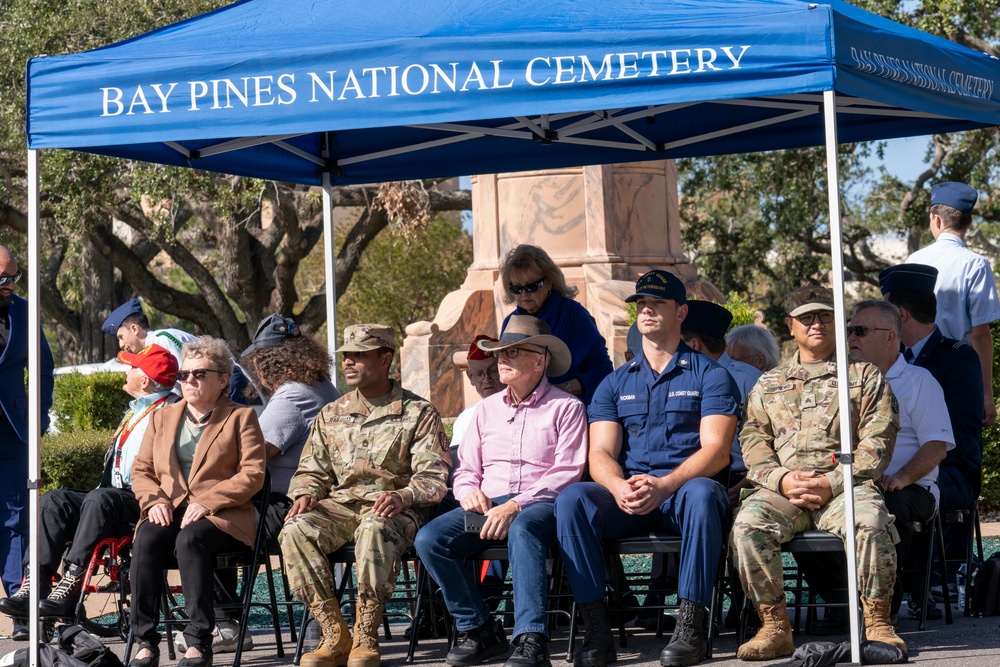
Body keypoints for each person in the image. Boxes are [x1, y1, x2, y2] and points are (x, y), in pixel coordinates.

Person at [555, 270, 740, 667]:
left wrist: (666, 484)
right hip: (630, 495)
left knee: (706, 493)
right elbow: (600, 452)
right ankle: (597, 631)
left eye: (658, 303)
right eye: (642, 304)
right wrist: (618, 486)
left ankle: (689, 627)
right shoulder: (615, 382)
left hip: (682, 492)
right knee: (573, 500)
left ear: (681, 312)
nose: (648, 310)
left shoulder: (712, 376)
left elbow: (717, 451)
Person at [731, 286, 904, 661]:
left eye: (825, 316)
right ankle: (775, 627)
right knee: (747, 527)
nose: (817, 324)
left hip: (845, 487)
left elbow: (879, 442)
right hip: (783, 490)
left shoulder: (863, 377)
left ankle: (876, 623)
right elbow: (753, 440)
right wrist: (780, 479)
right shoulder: (769, 383)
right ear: (790, 326)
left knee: (872, 521)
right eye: (807, 317)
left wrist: (832, 482)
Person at [415, 316, 587, 667]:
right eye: (500, 353)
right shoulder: (484, 411)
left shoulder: (567, 407)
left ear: (539, 360)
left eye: (512, 352)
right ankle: (479, 629)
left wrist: (514, 506)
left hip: (542, 506)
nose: (501, 360)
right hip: (486, 506)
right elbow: (465, 469)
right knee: (430, 539)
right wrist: (467, 492)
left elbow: (567, 473)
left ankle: (531, 640)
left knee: (523, 529)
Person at [278, 324, 450, 667]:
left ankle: (366, 635)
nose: (349, 363)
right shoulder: (332, 414)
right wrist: (305, 493)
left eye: (359, 355)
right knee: (295, 529)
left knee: (374, 526)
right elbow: (313, 471)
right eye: (346, 357)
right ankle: (334, 634)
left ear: (385, 359)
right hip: (341, 507)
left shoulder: (417, 412)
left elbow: (433, 477)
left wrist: (405, 495)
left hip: (396, 509)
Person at [0, 344, 177, 622]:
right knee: (54, 500)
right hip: (112, 497)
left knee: (100, 499)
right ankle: (35, 582)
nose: (126, 372)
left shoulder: (171, 411)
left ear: (144, 380)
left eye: (132, 368)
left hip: (146, 501)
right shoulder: (136, 409)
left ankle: (71, 585)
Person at [128, 336, 266, 667]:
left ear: (222, 380)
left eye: (199, 374)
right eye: (183, 375)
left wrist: (209, 501)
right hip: (171, 509)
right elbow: (142, 471)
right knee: (146, 538)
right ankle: (146, 640)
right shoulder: (162, 417)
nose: (189, 380)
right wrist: (154, 501)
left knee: (190, 539)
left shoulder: (240, 417)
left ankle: (198, 640)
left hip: (224, 517)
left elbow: (253, 474)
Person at [880, 263, 984, 598]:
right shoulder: (877, 361)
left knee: (897, 498)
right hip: (889, 470)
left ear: (900, 314)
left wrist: (911, 470)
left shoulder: (957, 358)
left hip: (949, 472)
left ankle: (912, 585)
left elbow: (958, 438)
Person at [847, 300, 953, 619]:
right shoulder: (839, 384)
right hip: (849, 487)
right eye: (850, 330)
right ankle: (839, 599)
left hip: (908, 489)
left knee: (888, 508)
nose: (852, 337)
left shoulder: (919, 382)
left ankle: (883, 606)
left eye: (861, 331)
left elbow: (937, 446)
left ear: (890, 337)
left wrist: (901, 477)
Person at [240, 314, 341, 540]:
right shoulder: (322, 385)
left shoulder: (292, 397)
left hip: (289, 506)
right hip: (320, 500)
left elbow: (251, 454)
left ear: (263, 364)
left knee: (206, 528)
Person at [907, 182, 1000, 426]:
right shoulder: (975, 264)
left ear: (936, 220)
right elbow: (981, 335)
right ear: (968, 223)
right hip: (960, 371)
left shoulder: (912, 261)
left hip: (914, 369)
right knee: (961, 455)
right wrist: (986, 396)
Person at [0, 244, 55, 639]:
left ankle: (21, 614)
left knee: (17, 521)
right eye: (3, 278)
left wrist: (38, 416)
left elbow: (44, 369)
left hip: (13, 433)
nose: (9, 285)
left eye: (13, 277)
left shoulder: (24, 311)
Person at [499, 245, 612, 405]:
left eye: (532, 286)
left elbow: (603, 369)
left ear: (549, 282)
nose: (524, 294)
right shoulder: (510, 322)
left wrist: (564, 389)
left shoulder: (573, 314)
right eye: (516, 288)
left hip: (572, 407)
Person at [103, 299, 253, 404]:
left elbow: (188, 381)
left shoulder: (162, 340)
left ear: (135, 329)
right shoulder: (156, 343)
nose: (121, 344)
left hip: (233, 390)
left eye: (121, 337)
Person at [451, 335, 504, 452]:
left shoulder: (525, 408)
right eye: (479, 374)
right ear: (470, 377)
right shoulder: (466, 419)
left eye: (493, 371)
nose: (486, 379)